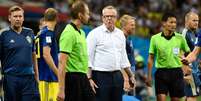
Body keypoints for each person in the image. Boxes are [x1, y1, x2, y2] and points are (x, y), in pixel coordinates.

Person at [87, 6, 135, 101]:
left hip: (117, 76)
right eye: (106, 16)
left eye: (112, 16)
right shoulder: (94, 34)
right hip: (100, 76)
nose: (109, 18)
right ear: (102, 18)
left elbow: (123, 58)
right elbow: (88, 58)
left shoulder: (120, 34)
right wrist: (89, 78)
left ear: (116, 18)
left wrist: (131, 75)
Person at [146, 12, 190, 101]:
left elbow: (189, 54)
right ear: (164, 23)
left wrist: (187, 70)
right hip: (161, 73)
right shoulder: (155, 38)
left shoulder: (180, 38)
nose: (174, 25)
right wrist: (149, 76)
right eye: (171, 22)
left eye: (175, 23)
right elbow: (151, 58)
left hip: (177, 73)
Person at [57, 1, 95, 101]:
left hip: (83, 77)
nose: (89, 16)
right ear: (80, 15)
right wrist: (61, 89)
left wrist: (88, 78)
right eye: (87, 13)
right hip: (72, 79)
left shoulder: (82, 33)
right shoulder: (68, 33)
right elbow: (61, 62)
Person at [0, 5, 40, 101]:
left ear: (23, 18)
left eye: (20, 16)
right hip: (11, 79)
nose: (18, 19)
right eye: (15, 16)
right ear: (9, 18)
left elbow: (33, 55)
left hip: (29, 79)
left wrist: (36, 76)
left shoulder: (30, 33)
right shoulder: (3, 34)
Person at [35, 8, 59, 101]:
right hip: (49, 77)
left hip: (41, 75)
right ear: (56, 19)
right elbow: (46, 55)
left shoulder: (40, 33)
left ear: (45, 18)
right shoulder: (48, 33)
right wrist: (57, 73)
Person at [182, 11, 201, 101]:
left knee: (190, 96)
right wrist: (185, 70)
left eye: (197, 20)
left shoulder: (195, 33)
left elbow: (195, 51)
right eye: (194, 20)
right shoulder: (185, 33)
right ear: (187, 21)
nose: (196, 22)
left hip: (195, 69)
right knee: (193, 96)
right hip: (190, 70)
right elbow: (179, 52)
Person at [119, 14, 136, 94]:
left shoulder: (128, 38)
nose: (134, 27)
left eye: (134, 25)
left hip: (128, 75)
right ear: (124, 26)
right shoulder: (119, 39)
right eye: (132, 25)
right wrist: (125, 78)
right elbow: (120, 61)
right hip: (122, 77)